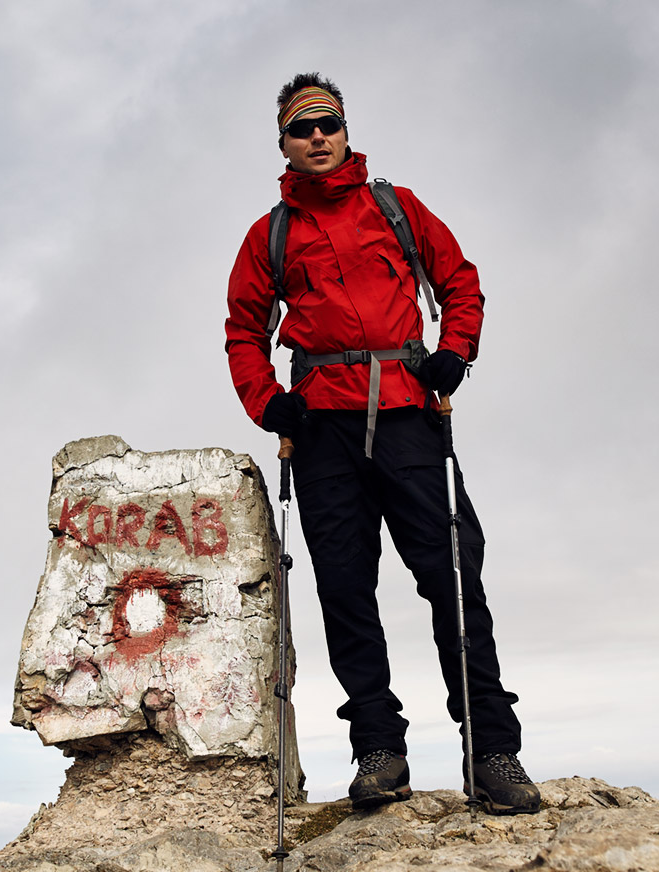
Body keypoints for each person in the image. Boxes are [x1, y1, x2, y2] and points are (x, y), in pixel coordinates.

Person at [223, 73, 540, 815]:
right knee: (344, 593)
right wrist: (270, 405)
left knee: (454, 580)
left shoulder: (395, 208)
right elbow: (243, 331)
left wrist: (455, 353)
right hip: (323, 429)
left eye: (327, 123)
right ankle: (378, 751)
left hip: (408, 415)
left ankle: (492, 751)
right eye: (302, 129)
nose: (318, 137)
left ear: (345, 128)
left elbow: (460, 282)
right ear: (285, 146)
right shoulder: (270, 235)